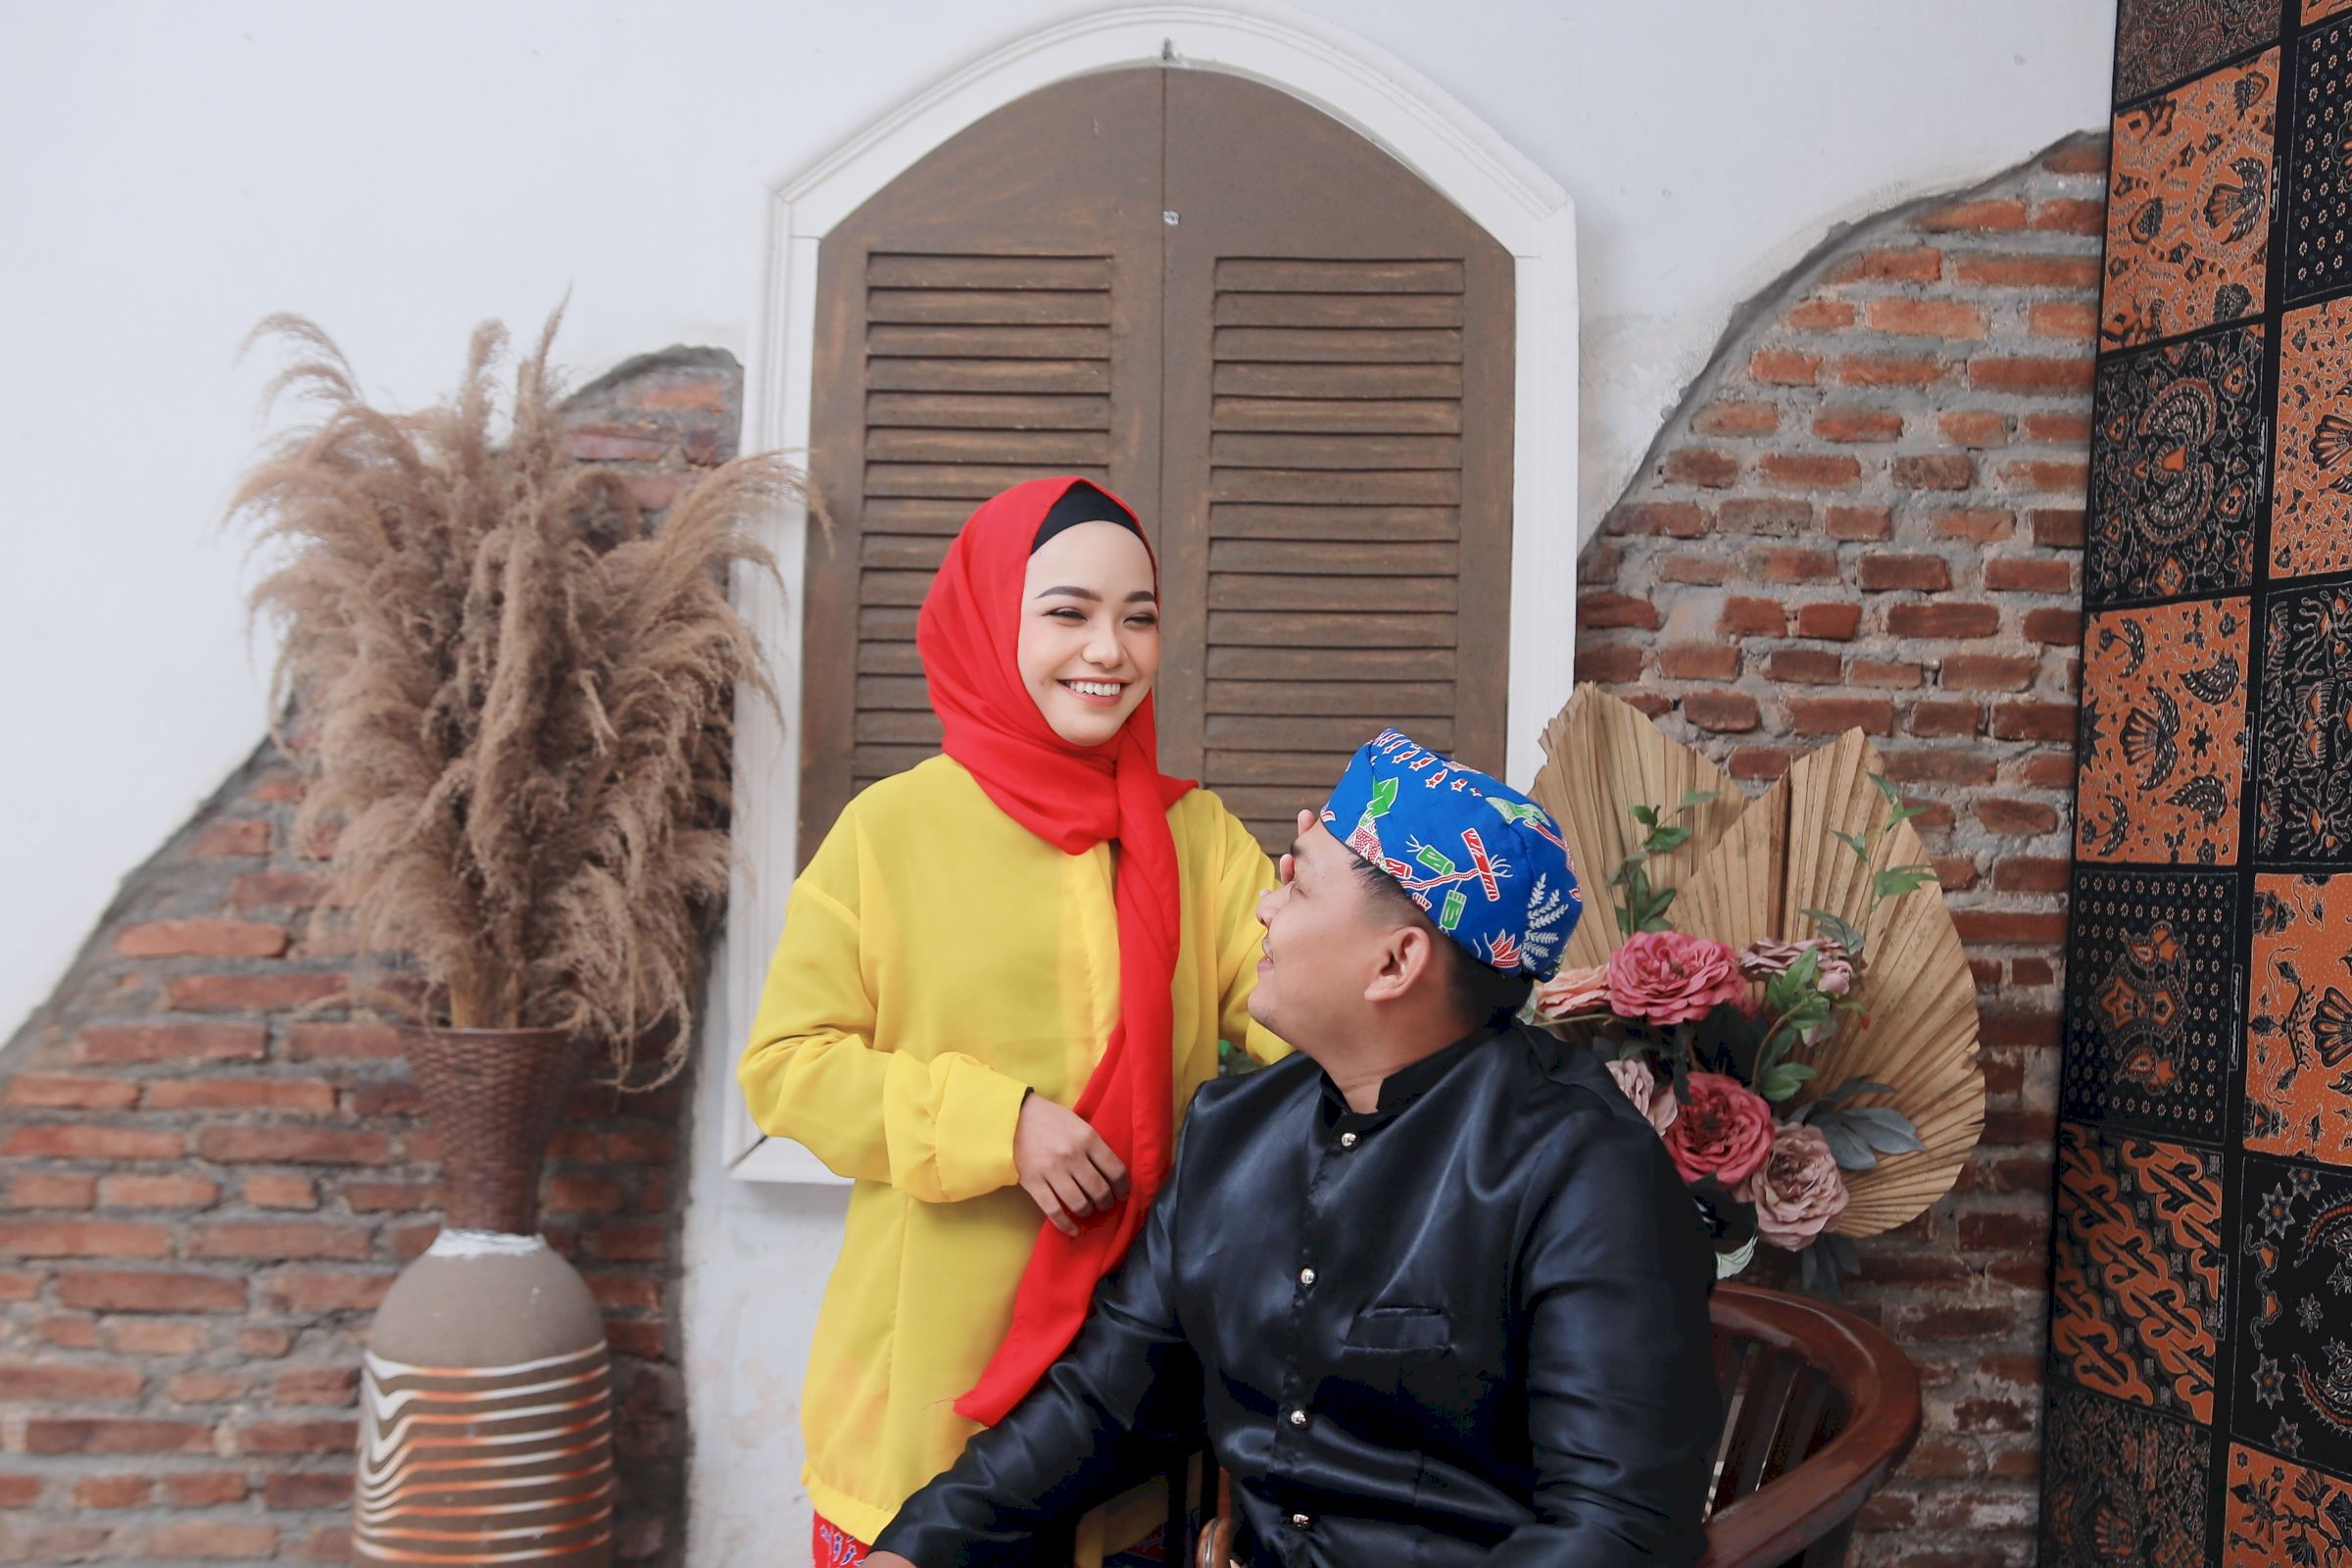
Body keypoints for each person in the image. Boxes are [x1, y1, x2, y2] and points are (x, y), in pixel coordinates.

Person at [861, 730, 1721, 1568]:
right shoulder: (1231, 1131)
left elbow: (1620, 1529)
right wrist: (916, 1546)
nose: (1263, 910)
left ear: (1395, 964)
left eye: (1298, 887)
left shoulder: (1584, 1168)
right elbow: (1103, 1404)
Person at [738, 476, 1286, 1568]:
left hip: (1135, 1399)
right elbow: (787, 1067)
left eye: (1139, 617)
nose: (1110, 650)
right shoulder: (889, 832)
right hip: (923, 1397)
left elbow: (1301, 1021)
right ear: (991, 617)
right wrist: (999, 1125)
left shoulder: (1198, 839)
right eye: (1069, 612)